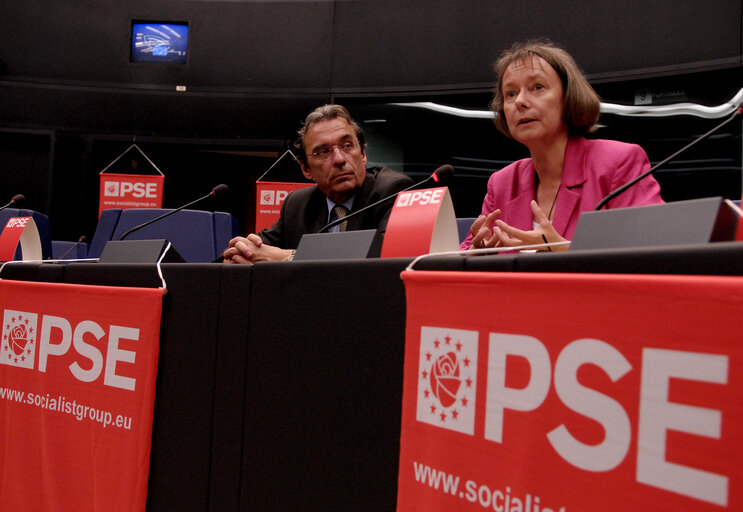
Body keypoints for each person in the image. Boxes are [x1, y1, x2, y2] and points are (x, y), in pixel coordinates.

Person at [461, 40, 663, 251]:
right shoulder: (502, 183)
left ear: (568, 98)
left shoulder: (618, 162)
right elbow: (459, 255)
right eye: (510, 94)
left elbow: (654, 250)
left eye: (537, 87)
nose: (520, 101)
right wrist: (476, 252)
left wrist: (563, 250)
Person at [223, 104, 413, 263]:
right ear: (306, 169)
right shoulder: (297, 205)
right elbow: (259, 250)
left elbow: (381, 257)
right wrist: (242, 252)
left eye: (347, 146)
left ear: (362, 154)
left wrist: (286, 257)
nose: (339, 159)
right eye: (323, 152)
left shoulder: (393, 192)